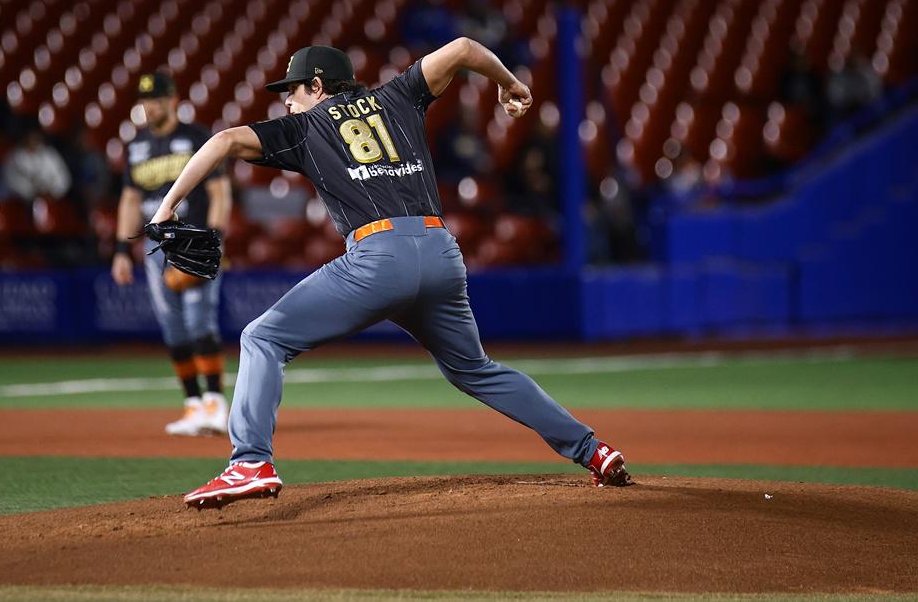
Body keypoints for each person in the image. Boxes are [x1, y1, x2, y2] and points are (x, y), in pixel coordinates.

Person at [150, 39, 632, 508]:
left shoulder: (306, 126)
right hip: (442, 253)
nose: (287, 101)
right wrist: (507, 83)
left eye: (292, 90)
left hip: (378, 258)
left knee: (263, 338)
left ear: (318, 87)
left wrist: (168, 207)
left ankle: (251, 461)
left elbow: (224, 140)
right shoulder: (397, 96)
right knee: (476, 369)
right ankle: (593, 450)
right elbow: (464, 47)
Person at [112, 71, 233, 436]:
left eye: (156, 99)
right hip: (155, 245)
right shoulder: (136, 145)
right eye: (145, 100)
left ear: (172, 100)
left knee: (199, 320)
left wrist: (216, 240)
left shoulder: (195, 137)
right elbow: (130, 200)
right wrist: (120, 249)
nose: (149, 106)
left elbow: (220, 191)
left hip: (192, 239)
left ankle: (215, 403)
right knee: (172, 325)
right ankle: (193, 404)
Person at [0, 130, 72, 201]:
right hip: (23, 202)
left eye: (36, 138)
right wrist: (33, 193)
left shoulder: (50, 154)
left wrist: (53, 192)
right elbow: (11, 182)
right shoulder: (13, 157)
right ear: (24, 139)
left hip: (51, 199)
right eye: (30, 138)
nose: (33, 141)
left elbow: (64, 178)